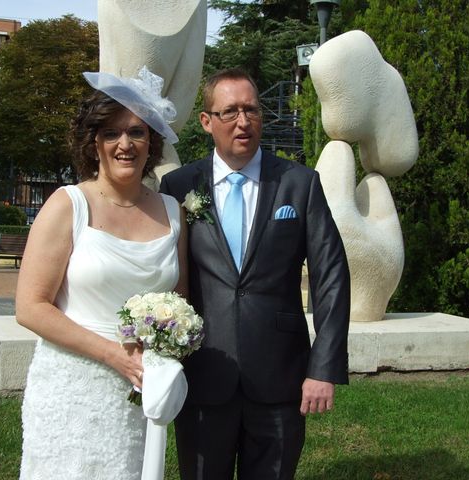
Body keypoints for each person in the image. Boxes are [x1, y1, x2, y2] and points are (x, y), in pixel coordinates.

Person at [159, 68, 350, 480]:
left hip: (280, 375)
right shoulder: (177, 187)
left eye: (251, 110)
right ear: (207, 121)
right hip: (203, 373)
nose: (243, 122)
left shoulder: (300, 184)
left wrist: (324, 367)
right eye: (229, 112)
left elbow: (331, 276)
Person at [16, 67, 187, 479]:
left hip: (140, 395)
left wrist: (168, 347)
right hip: (72, 390)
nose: (124, 144)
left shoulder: (172, 212)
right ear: (95, 144)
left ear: (153, 142)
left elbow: (182, 301)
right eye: (111, 133)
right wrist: (115, 355)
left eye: (136, 132)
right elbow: (30, 307)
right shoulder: (68, 205)